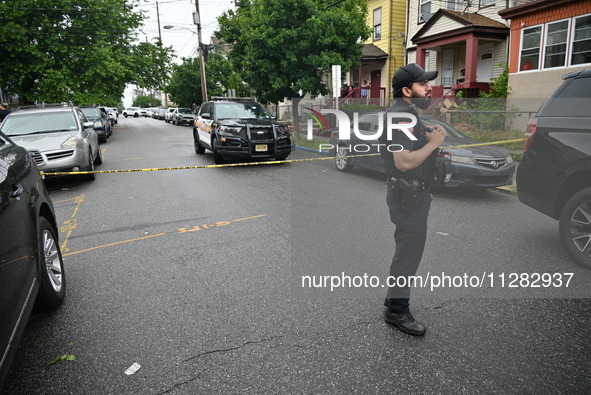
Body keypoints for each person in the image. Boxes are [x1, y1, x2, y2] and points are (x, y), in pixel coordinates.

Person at [378, 63, 447, 336]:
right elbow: (404, 162)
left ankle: (392, 298)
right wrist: (433, 143)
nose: (429, 88)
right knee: (408, 255)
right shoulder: (402, 117)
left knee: (406, 251)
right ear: (407, 90)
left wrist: (422, 133)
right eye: (422, 84)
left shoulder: (405, 114)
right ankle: (397, 311)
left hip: (409, 194)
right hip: (408, 196)